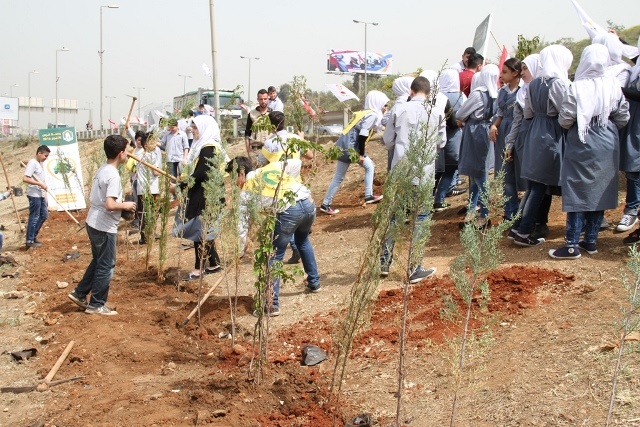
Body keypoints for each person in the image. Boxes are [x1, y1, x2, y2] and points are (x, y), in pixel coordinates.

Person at [548, 44, 629, 259]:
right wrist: (606, 127)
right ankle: (591, 241)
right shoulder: (614, 86)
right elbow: (623, 117)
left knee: (577, 189)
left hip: (582, 141)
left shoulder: (577, 87)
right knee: (599, 188)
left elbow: (565, 119)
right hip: (608, 142)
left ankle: (572, 244)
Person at [233, 143, 320, 316]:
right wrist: (291, 182)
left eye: (234, 178)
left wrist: (241, 249)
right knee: (302, 241)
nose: (235, 183)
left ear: (241, 174)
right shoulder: (270, 167)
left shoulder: (247, 190)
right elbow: (296, 163)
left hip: (290, 210)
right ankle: (314, 283)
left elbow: (242, 223)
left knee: (274, 254)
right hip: (308, 202)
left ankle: (270, 304)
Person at [381, 76, 443, 283]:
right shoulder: (436, 112)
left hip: (401, 171)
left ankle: (384, 261)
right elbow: (441, 141)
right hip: (424, 173)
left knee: (394, 217)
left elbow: (388, 140)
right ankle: (414, 267)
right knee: (422, 218)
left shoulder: (399, 110)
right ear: (429, 92)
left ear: (411, 90)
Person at [67, 135, 137, 315]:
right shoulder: (112, 175)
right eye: (127, 151)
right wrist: (126, 205)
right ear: (121, 154)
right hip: (104, 226)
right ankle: (96, 304)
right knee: (106, 265)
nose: (129, 154)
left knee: (98, 261)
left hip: (94, 221)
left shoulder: (103, 169)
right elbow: (110, 205)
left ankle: (80, 293)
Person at [512, 45, 573, 247]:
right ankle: (524, 231)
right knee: (538, 187)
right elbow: (565, 111)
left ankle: (518, 226)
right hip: (550, 134)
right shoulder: (557, 84)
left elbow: (528, 113)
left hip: (534, 131)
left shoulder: (534, 83)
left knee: (533, 185)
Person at [504, 54, 551, 240]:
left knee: (536, 185)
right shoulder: (527, 91)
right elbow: (518, 121)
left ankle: (525, 224)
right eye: (522, 69)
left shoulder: (534, 89)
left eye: (525, 69)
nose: (523, 73)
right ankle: (526, 226)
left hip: (534, 140)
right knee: (536, 185)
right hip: (533, 141)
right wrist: (510, 144)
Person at [175, 115, 227, 281]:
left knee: (200, 231)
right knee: (206, 230)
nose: (193, 130)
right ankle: (213, 264)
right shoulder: (203, 146)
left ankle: (198, 270)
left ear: (205, 127)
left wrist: (184, 184)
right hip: (205, 193)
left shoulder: (208, 147)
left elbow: (201, 172)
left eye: (195, 127)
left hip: (206, 195)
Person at [320, 90, 388, 215]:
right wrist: (361, 154)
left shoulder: (364, 112)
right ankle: (368, 196)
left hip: (342, 145)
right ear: (377, 103)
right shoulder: (372, 115)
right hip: (351, 147)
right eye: (384, 105)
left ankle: (325, 204)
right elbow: (362, 135)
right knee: (369, 166)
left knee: (339, 177)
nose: (386, 107)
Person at [456, 64, 500, 229]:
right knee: (478, 170)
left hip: (474, 131)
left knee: (478, 174)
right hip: (487, 130)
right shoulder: (496, 94)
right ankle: (473, 209)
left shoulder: (477, 94)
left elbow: (460, 114)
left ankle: (483, 212)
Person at [490, 58, 522, 220]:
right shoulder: (502, 92)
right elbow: (501, 114)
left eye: (505, 72)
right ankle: (510, 212)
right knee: (506, 173)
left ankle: (516, 211)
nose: (501, 76)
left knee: (517, 171)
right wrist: (494, 126)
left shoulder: (523, 91)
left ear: (515, 73)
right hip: (504, 132)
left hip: (518, 131)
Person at [434, 68, 467, 211]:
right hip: (454, 138)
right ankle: (439, 199)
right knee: (450, 170)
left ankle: (427, 200)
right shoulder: (460, 96)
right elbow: (463, 117)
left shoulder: (436, 96)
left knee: (436, 171)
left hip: (437, 138)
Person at [621, 37, 640, 244]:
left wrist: (618, 89)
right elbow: (629, 51)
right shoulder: (637, 65)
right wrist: (616, 38)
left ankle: (632, 208)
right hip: (634, 121)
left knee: (635, 168)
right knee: (633, 167)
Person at [381, 76, 414, 170]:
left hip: (397, 143)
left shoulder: (401, 101)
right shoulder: (403, 101)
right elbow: (385, 120)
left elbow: (385, 120)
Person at [135, 132, 162, 245]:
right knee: (152, 211)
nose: (155, 144)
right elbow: (155, 173)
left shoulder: (139, 155)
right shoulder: (152, 155)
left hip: (141, 188)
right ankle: (150, 233)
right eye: (152, 142)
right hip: (152, 188)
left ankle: (143, 236)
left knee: (143, 212)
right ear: (146, 144)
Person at [23, 145, 51, 249]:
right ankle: (29, 240)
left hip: (40, 194)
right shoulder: (32, 163)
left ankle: (33, 236)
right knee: (34, 217)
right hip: (34, 194)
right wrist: (40, 184)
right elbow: (25, 178)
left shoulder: (38, 164)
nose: (46, 158)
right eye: (45, 155)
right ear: (39, 153)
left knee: (44, 215)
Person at [245, 89, 272, 160]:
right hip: (255, 150)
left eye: (265, 99)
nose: (263, 101)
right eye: (261, 99)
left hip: (270, 150)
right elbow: (247, 133)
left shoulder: (273, 114)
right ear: (258, 100)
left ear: (268, 99)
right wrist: (248, 151)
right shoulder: (252, 114)